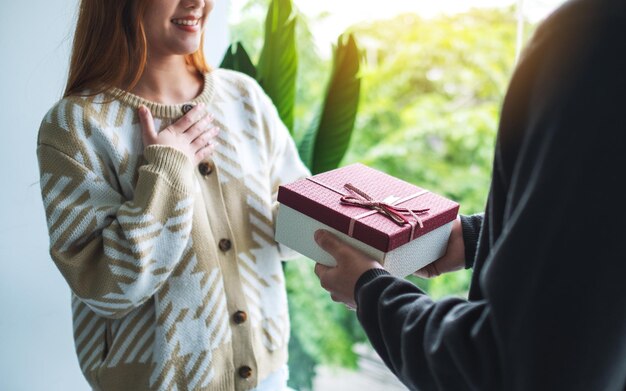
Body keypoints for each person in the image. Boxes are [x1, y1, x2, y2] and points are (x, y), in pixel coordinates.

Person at [313, 0, 626, 389]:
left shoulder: (599, 39)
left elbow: (501, 368)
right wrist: (479, 237)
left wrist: (371, 291)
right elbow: (598, 241)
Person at [36, 0, 309, 390]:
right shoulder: (76, 127)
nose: (198, 2)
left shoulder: (243, 97)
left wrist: (376, 233)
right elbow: (107, 287)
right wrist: (168, 168)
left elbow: (293, 228)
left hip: (269, 377)